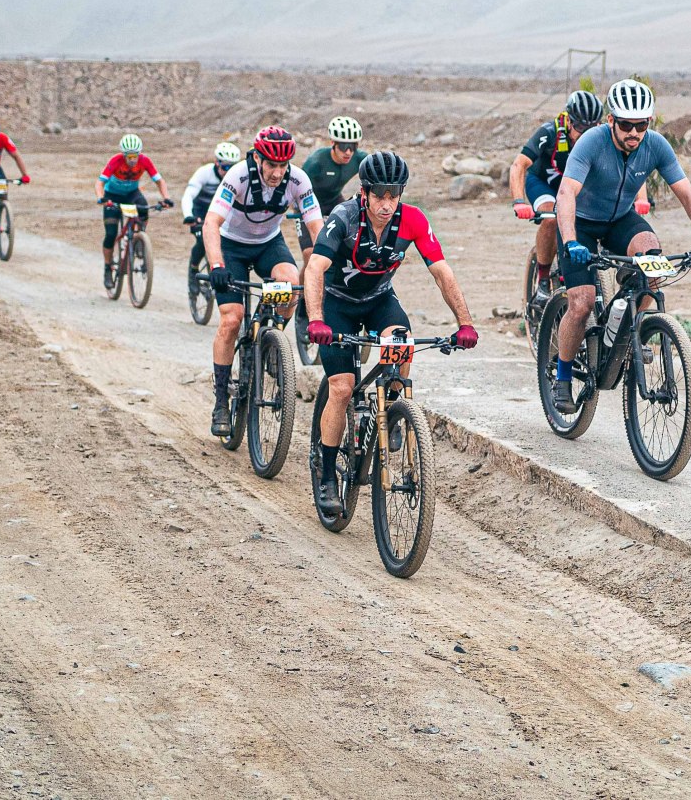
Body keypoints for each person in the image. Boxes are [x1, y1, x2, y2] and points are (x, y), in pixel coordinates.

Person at [303, 152, 478, 514]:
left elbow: (442, 272)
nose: (386, 204)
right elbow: (315, 268)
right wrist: (316, 319)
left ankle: (394, 409)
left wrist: (465, 323)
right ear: (364, 193)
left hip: (379, 300)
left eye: (393, 195)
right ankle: (328, 476)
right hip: (337, 304)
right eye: (379, 196)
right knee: (342, 388)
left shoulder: (413, 220)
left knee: (402, 345)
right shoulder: (343, 218)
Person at [551, 79, 691, 412]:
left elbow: (686, 192)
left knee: (652, 262)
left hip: (620, 220)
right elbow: (566, 193)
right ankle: (563, 376)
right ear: (611, 120)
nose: (634, 132)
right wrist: (570, 241)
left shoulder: (655, 145)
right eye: (626, 124)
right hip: (580, 222)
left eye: (641, 125)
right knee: (582, 303)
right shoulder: (591, 142)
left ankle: (632, 331)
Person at [202, 126, 321, 436]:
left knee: (291, 284)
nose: (277, 173)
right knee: (232, 318)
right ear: (257, 158)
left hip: (268, 244)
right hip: (232, 246)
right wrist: (216, 264)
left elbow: (317, 228)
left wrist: (326, 268)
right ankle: (220, 401)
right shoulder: (238, 176)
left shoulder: (298, 181)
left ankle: (272, 341)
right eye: (271, 165)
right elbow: (211, 223)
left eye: (283, 166)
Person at [509, 90, 613, 298]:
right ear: (568, 120)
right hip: (543, 184)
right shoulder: (549, 132)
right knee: (552, 218)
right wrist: (519, 201)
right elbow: (519, 165)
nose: (585, 134)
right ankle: (543, 279)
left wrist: (637, 199)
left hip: (574, 188)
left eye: (591, 128)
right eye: (580, 128)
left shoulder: (603, 137)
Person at [95, 133, 175, 284]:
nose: (133, 160)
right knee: (111, 234)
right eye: (129, 156)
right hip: (112, 196)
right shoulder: (115, 161)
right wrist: (101, 197)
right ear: (124, 155)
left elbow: (159, 181)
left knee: (144, 208)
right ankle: (107, 267)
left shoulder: (145, 161)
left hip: (132, 194)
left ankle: (139, 237)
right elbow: (100, 182)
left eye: (135, 156)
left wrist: (166, 198)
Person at [183, 141, 243, 265]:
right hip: (200, 210)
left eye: (232, 167)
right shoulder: (204, 173)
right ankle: (193, 268)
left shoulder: (238, 176)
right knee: (203, 241)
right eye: (226, 167)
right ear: (217, 163)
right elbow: (188, 195)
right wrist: (188, 215)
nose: (228, 172)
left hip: (221, 210)